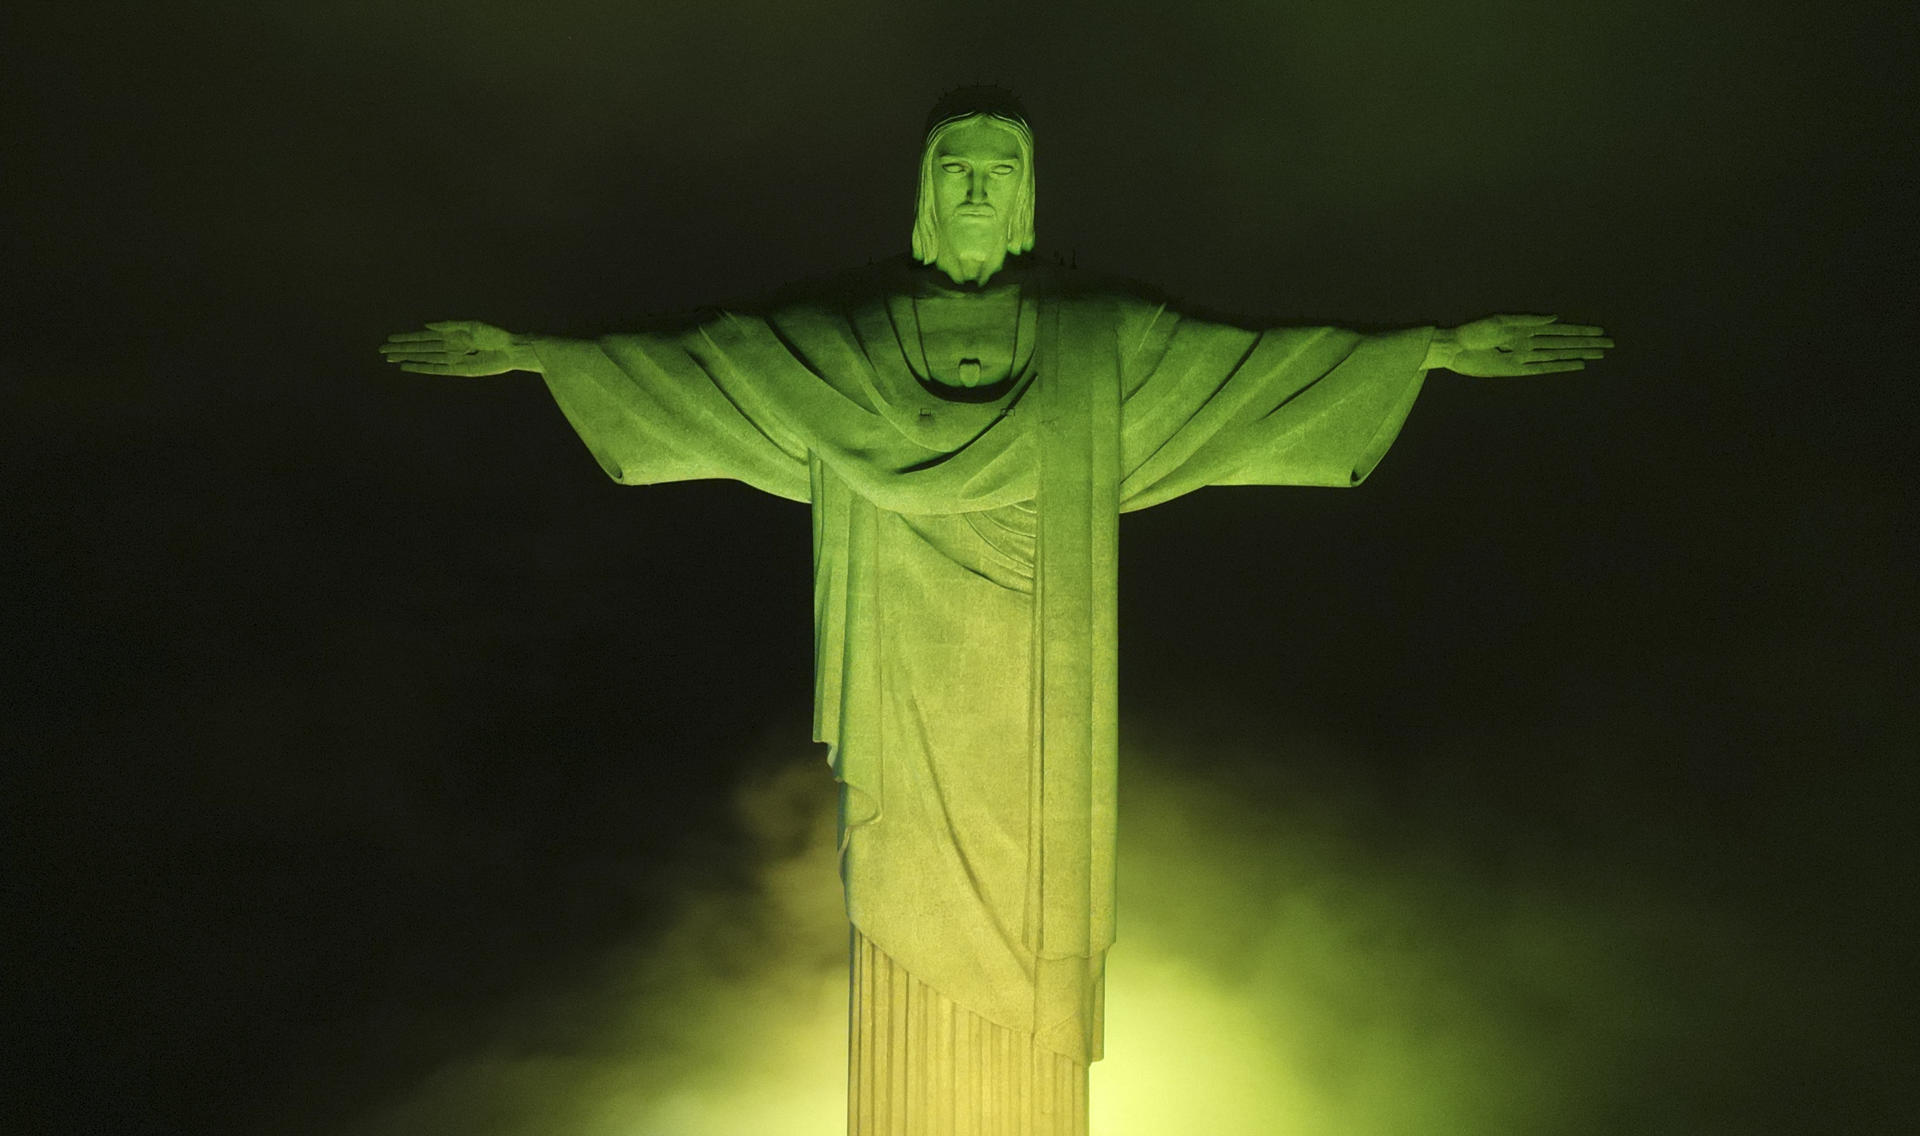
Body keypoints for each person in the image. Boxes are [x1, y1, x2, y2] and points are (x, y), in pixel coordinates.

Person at [382, 85, 1611, 1135]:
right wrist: (541, 355)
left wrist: (1433, 349)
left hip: (1041, 686)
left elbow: (1259, 365)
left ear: (1026, 194)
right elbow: (705, 361)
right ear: (924, 187)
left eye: (999, 169)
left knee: (1030, 924)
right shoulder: (850, 336)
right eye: (956, 168)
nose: (976, 187)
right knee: (906, 894)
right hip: (907, 674)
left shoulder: (1096, 339)